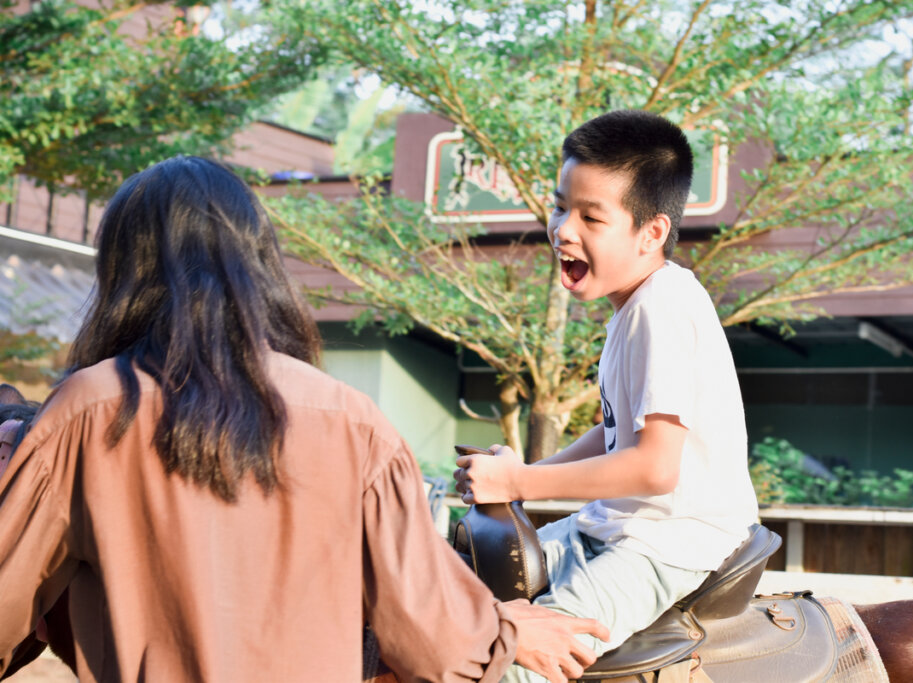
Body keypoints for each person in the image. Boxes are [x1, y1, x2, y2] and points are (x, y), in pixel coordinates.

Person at [0, 156, 607, 682]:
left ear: (123, 273)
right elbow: (434, 641)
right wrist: (504, 631)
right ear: (257, 264)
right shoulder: (350, 421)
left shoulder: (84, 413)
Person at [453, 110, 759, 681]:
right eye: (560, 206)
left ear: (652, 233)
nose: (565, 229)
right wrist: (527, 478)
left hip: (666, 546)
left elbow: (654, 467)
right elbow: (616, 432)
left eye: (592, 217)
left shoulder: (662, 309)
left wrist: (519, 484)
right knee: (456, 584)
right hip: (613, 526)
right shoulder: (634, 306)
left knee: (514, 664)